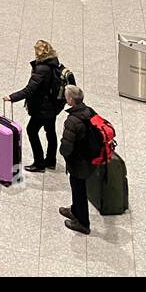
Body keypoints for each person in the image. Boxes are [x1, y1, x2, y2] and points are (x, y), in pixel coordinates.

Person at [5, 40, 64, 173]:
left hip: (43, 109)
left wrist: (12, 97)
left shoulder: (41, 69)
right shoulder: (54, 63)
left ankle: (39, 163)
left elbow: (29, 90)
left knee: (32, 130)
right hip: (53, 107)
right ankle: (50, 161)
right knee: (50, 132)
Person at [58, 85, 96, 235]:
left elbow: (66, 148)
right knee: (77, 189)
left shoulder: (72, 121)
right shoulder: (89, 111)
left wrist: (64, 154)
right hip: (88, 158)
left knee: (79, 191)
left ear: (71, 100)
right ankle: (75, 211)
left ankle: (83, 223)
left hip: (79, 162)